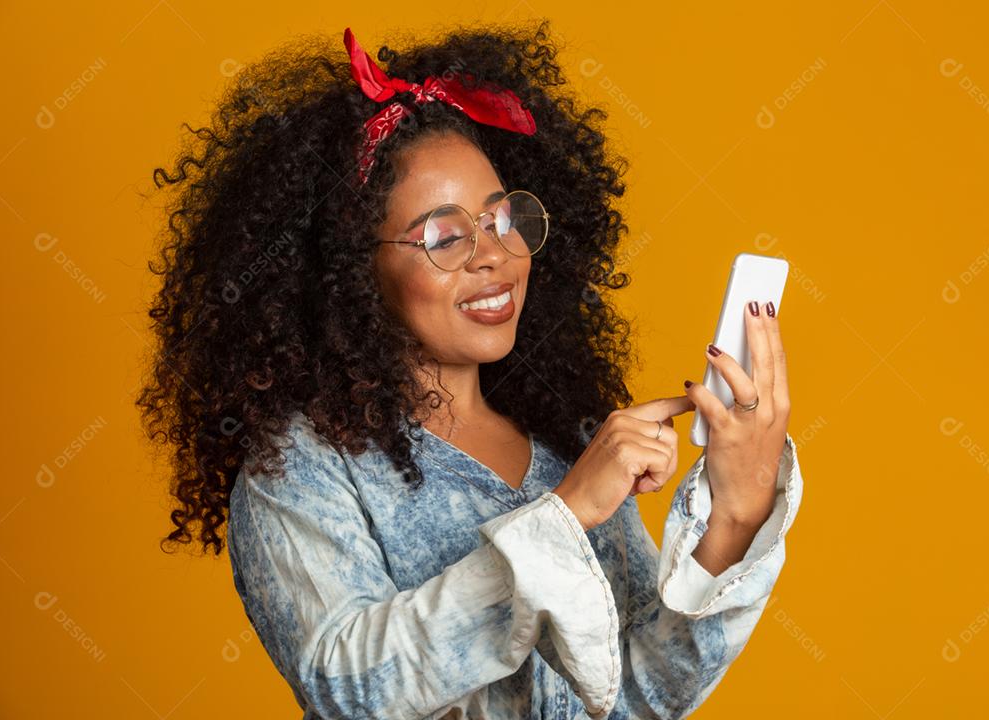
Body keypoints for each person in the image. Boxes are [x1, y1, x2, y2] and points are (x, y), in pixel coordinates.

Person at [137, 20, 805, 720]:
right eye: (445, 236)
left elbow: (635, 695)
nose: (494, 255)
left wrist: (737, 508)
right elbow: (349, 689)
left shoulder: (561, 439)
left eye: (502, 218)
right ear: (348, 272)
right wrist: (568, 513)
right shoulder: (298, 468)